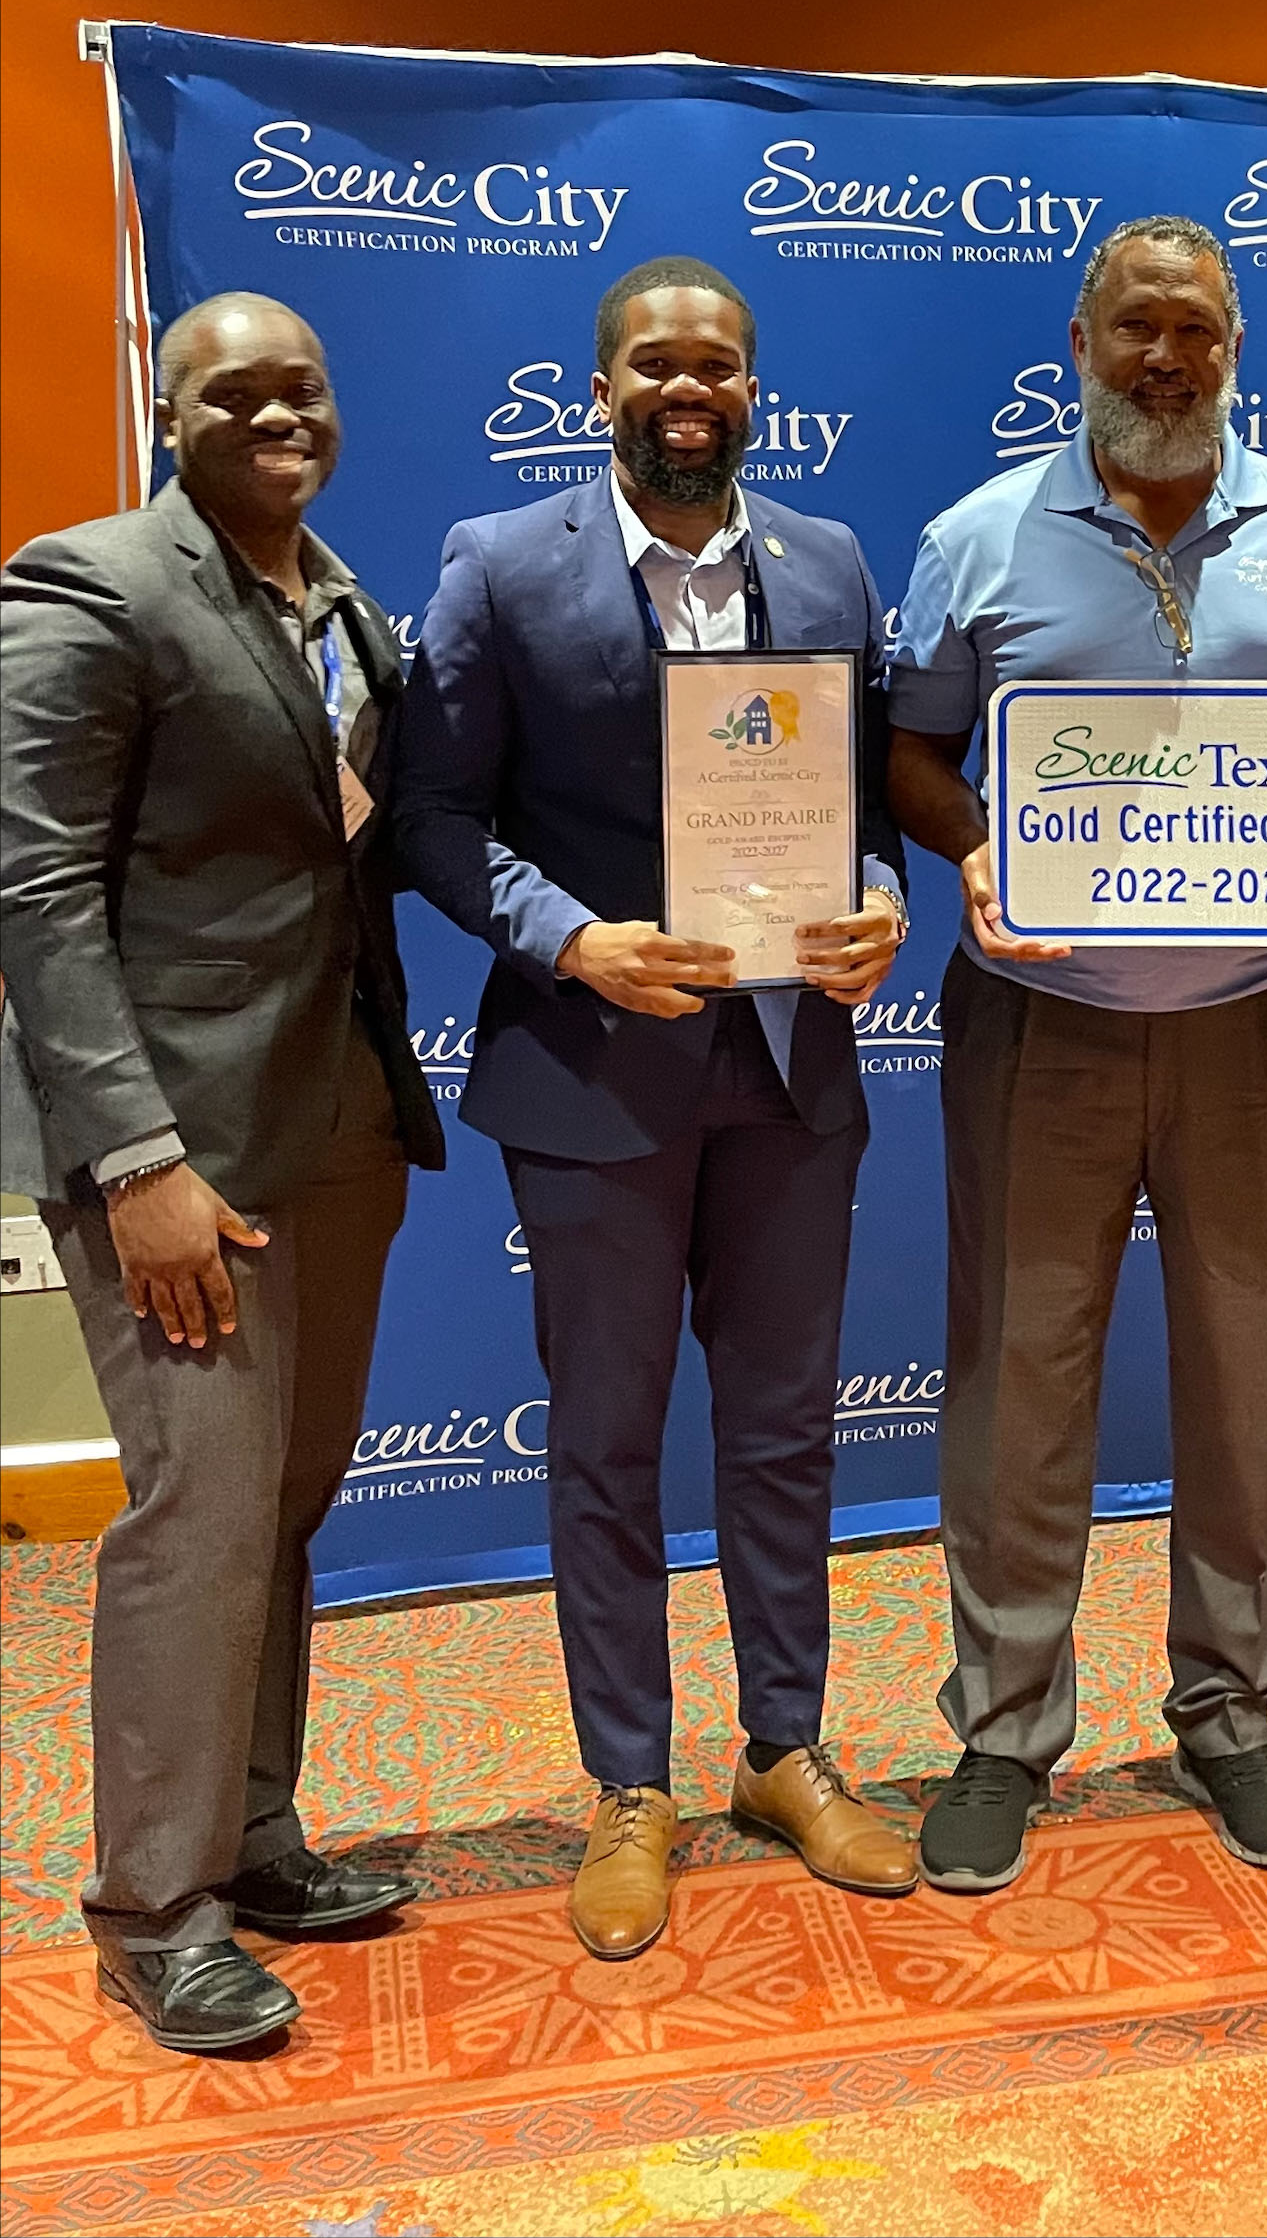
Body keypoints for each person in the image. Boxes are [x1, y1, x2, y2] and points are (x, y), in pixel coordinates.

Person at [887, 215, 1267, 1893]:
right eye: (1136, 328)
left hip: (1260, 1018)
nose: (1166, 358)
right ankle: (1003, 1726)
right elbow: (910, 752)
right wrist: (974, 845)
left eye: (1196, 330)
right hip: (1041, 1021)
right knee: (1017, 1373)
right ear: (1081, 336)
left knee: (1248, 1369)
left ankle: (1232, 1710)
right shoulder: (978, 536)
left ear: (1236, 346)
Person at [396, 255, 916, 1960]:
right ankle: (632, 1783)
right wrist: (571, 936)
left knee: (785, 1436)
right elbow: (435, 814)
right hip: (595, 1079)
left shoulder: (831, 559)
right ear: (601, 386)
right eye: (655, 368)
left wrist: (874, 898)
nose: (689, 393)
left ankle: (785, 1747)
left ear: (755, 388)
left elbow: (863, 806)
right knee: (609, 1446)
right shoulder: (499, 565)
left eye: (720, 369)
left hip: (789, 1077)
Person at [0, 294, 445, 2051]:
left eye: (305, 390)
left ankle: (256, 1834)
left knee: (284, 1493)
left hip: (336, 1117)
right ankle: (152, 1899)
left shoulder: (348, 605)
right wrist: (135, 1159)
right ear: (166, 411)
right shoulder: (86, 585)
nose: (280, 414)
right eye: (235, 392)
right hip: (176, 1151)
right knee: (198, 1513)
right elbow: (32, 895)